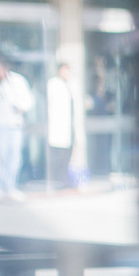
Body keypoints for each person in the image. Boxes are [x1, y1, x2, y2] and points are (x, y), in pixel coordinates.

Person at [0, 58, 33, 200]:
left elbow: (28, 99)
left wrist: (22, 107)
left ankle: (10, 187)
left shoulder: (18, 81)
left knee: (14, 158)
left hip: (15, 125)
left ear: (5, 69)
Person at [46, 61, 86, 190]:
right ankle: (56, 181)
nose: (66, 73)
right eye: (64, 70)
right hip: (58, 127)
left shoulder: (71, 85)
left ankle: (63, 181)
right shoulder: (53, 84)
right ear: (59, 71)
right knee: (58, 156)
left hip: (70, 128)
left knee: (67, 156)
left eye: (68, 70)